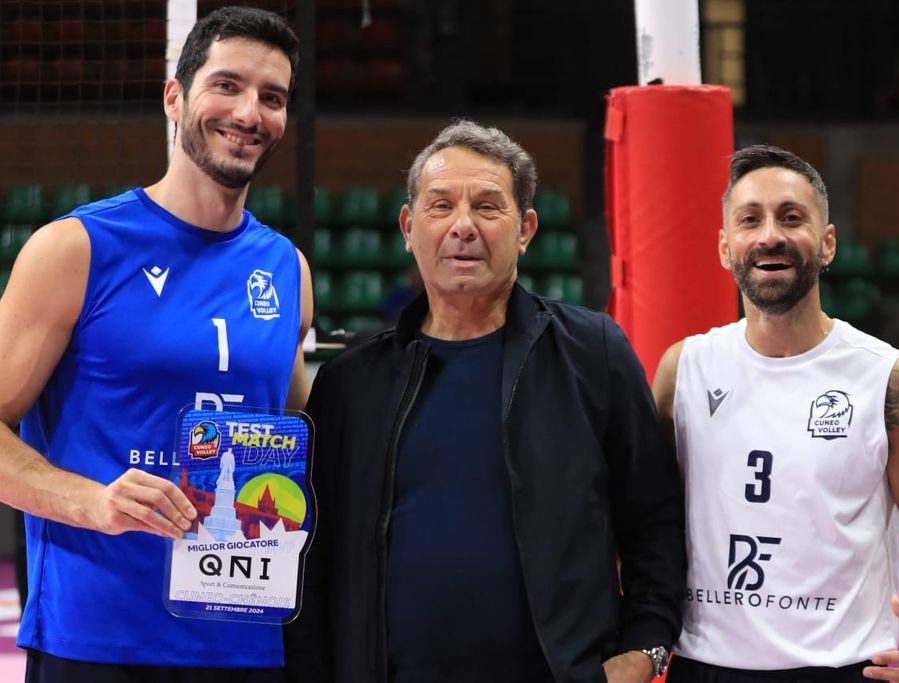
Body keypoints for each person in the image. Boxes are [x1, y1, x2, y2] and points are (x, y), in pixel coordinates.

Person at [284, 120, 685, 683]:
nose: (463, 226)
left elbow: (656, 521)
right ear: (409, 227)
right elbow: (311, 558)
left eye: (488, 207)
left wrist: (646, 650)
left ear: (526, 230)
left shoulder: (593, 354)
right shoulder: (351, 383)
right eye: (441, 205)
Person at [0, 6, 312, 682]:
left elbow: (292, 436)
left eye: (273, 97)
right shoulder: (74, 249)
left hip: (246, 643)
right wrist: (93, 502)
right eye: (226, 85)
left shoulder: (288, 269)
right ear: (174, 96)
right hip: (98, 642)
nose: (249, 113)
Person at [652, 145, 899, 683]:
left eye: (791, 217)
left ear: (828, 242)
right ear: (725, 247)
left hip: (843, 667)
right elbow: (643, 530)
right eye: (750, 220)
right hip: (705, 666)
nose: (770, 236)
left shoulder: (889, 379)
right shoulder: (682, 371)